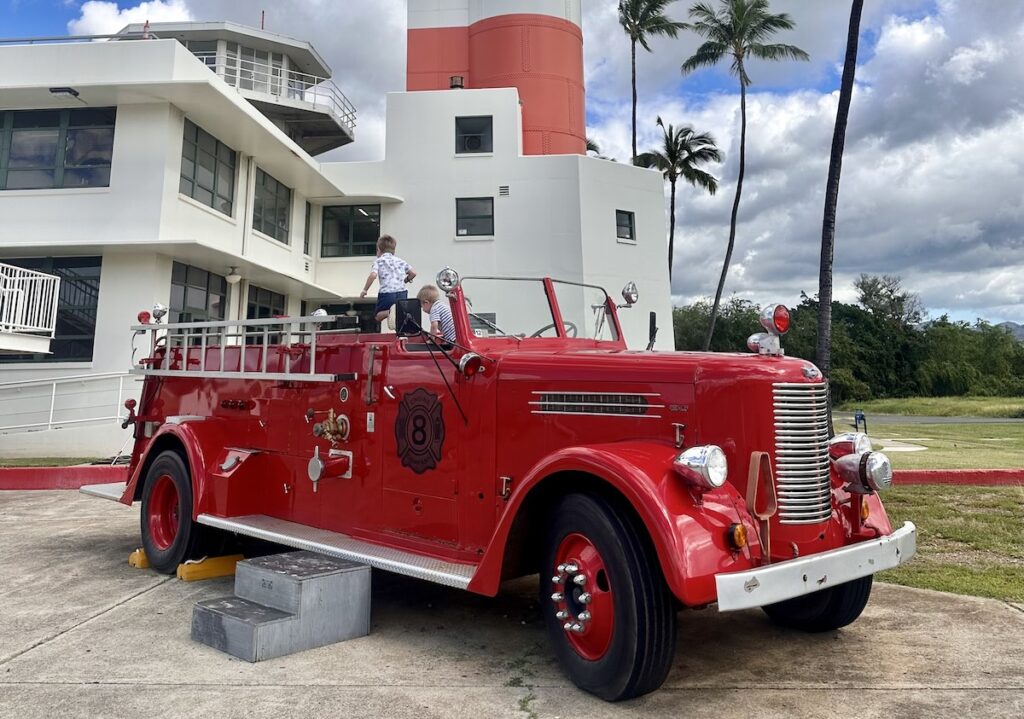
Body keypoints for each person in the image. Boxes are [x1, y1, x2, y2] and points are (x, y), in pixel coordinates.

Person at [360, 235, 416, 322]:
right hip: (402, 293)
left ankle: (389, 311)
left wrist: (364, 290)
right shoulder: (400, 261)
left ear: (378, 249)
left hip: (387, 293)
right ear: (394, 250)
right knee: (400, 315)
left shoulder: (378, 261)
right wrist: (405, 280)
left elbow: (373, 276)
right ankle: (401, 333)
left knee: (378, 316)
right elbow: (413, 273)